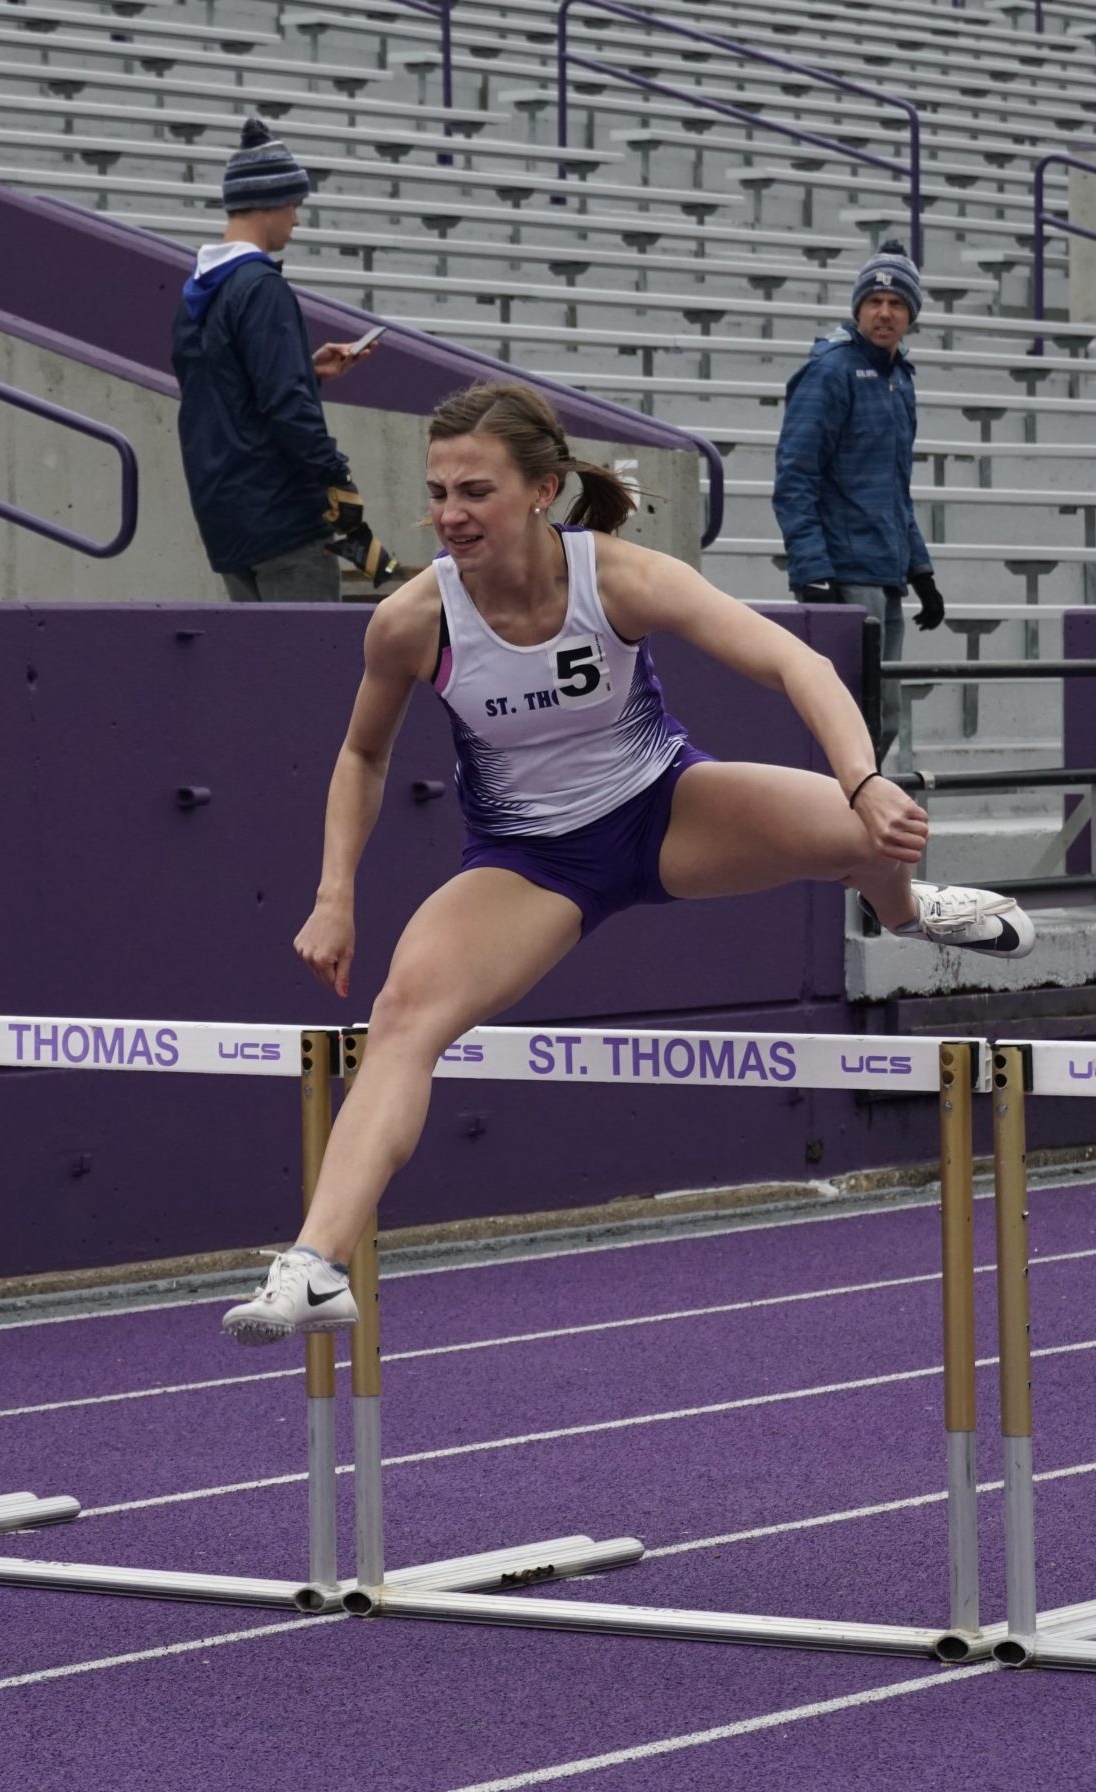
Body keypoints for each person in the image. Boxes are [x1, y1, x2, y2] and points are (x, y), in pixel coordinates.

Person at [221, 380, 1035, 1344]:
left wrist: (862, 780)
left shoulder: (615, 577)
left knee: (870, 835)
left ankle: (904, 914)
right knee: (402, 1017)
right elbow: (361, 755)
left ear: (542, 490)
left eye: (474, 491)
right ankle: (317, 1264)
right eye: (437, 491)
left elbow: (796, 665)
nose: (449, 514)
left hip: (665, 810)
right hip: (529, 864)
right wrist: (333, 897)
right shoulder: (412, 620)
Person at [172, 118, 396, 602]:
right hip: (284, 518)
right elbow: (285, 405)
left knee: (256, 671)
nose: (296, 219)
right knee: (306, 669)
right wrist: (336, 476)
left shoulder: (198, 292)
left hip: (226, 520)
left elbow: (225, 392)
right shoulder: (261, 288)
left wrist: (306, 369)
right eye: (293, 204)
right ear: (270, 202)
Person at [772, 245, 944, 768]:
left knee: (879, 717)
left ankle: (841, 818)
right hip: (844, 574)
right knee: (852, 715)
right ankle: (825, 819)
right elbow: (795, 479)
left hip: (885, 572)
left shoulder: (900, 380)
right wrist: (813, 573)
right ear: (858, 308)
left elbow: (895, 488)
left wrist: (921, 571)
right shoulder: (830, 372)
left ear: (911, 314)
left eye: (896, 302)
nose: (885, 312)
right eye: (874, 300)